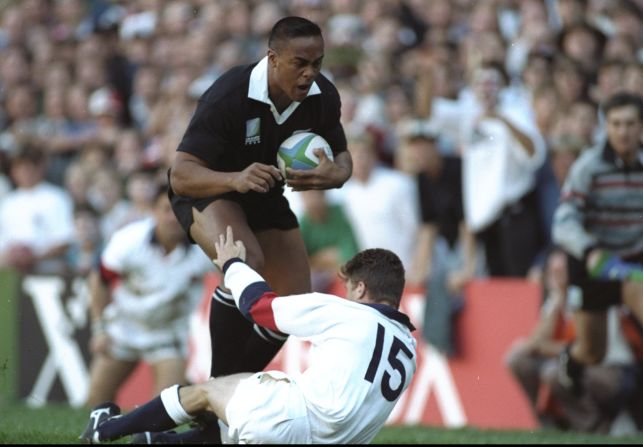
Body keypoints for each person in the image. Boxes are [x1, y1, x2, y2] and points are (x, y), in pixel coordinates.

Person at [166, 16, 352, 443]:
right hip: (210, 190)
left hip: (265, 194)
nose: (310, 73)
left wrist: (332, 175)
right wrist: (234, 179)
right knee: (244, 262)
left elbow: (344, 159)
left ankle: (218, 399)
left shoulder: (323, 97)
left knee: (294, 307)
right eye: (299, 63)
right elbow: (181, 175)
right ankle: (215, 397)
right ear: (272, 58)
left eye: (318, 62)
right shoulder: (229, 95)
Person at [80, 226, 416, 444]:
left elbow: (261, 308)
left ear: (360, 287)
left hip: (292, 420)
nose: (346, 294)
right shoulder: (409, 351)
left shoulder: (348, 313)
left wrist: (232, 265)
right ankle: (160, 442)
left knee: (205, 392)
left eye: (348, 288)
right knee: (241, 400)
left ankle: (104, 430)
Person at [85, 184, 213, 407]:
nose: (173, 218)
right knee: (95, 401)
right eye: (166, 209)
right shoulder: (129, 240)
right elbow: (100, 280)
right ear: (153, 211)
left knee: (163, 409)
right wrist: (99, 328)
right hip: (124, 328)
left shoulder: (203, 248)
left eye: (179, 211)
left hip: (168, 333)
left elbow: (228, 277)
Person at [552, 91, 643, 396]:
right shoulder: (587, 167)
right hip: (594, 260)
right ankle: (571, 361)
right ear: (607, 127)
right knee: (593, 351)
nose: (623, 131)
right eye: (616, 124)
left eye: (630, 123)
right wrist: (590, 250)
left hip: (633, 259)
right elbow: (563, 222)